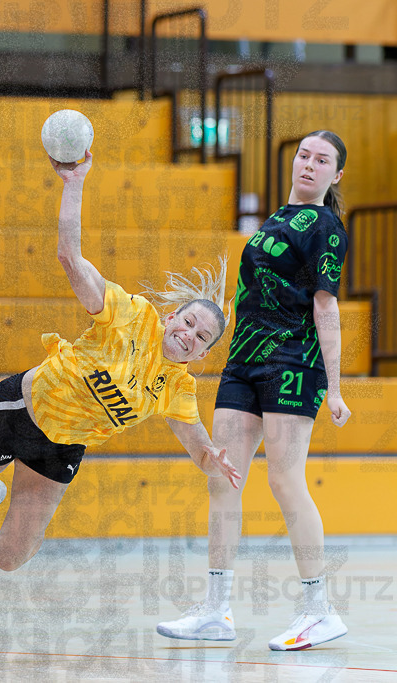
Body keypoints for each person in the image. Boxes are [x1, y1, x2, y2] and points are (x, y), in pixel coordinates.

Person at [0, 150, 240, 572]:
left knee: (8, 559)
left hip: (61, 448)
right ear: (170, 317)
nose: (188, 335)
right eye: (188, 321)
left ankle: (25, 516)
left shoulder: (177, 389)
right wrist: (74, 184)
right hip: (20, 409)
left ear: (202, 354)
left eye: (201, 337)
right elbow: (70, 258)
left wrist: (212, 461)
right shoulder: (130, 315)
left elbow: (199, 450)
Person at [156, 131, 351, 651]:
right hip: (244, 361)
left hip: (292, 361)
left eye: (322, 160)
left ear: (335, 176)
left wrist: (335, 387)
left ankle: (319, 609)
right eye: (305, 155)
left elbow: (326, 308)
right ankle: (216, 611)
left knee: (285, 480)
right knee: (221, 476)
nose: (309, 164)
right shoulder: (275, 220)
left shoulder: (327, 227)